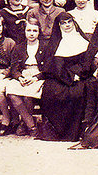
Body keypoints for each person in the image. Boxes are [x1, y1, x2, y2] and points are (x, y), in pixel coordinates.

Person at [38, 12, 91, 141]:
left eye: (69, 22)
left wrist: (76, 73)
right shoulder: (55, 42)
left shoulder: (82, 40)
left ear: (74, 23)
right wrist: (66, 76)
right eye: (63, 23)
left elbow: (87, 62)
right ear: (59, 26)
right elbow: (51, 66)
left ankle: (76, 131)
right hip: (59, 77)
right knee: (51, 91)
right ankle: (57, 131)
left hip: (79, 75)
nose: (67, 25)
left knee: (78, 93)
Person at [6, 18, 45, 137]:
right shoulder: (19, 47)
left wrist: (35, 78)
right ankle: (31, 124)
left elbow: (48, 68)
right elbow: (14, 68)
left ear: (39, 32)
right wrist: (19, 77)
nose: (31, 33)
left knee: (28, 97)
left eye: (34, 30)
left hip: (38, 77)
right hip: (23, 75)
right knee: (11, 92)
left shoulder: (45, 46)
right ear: (25, 32)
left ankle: (24, 123)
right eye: (29, 30)